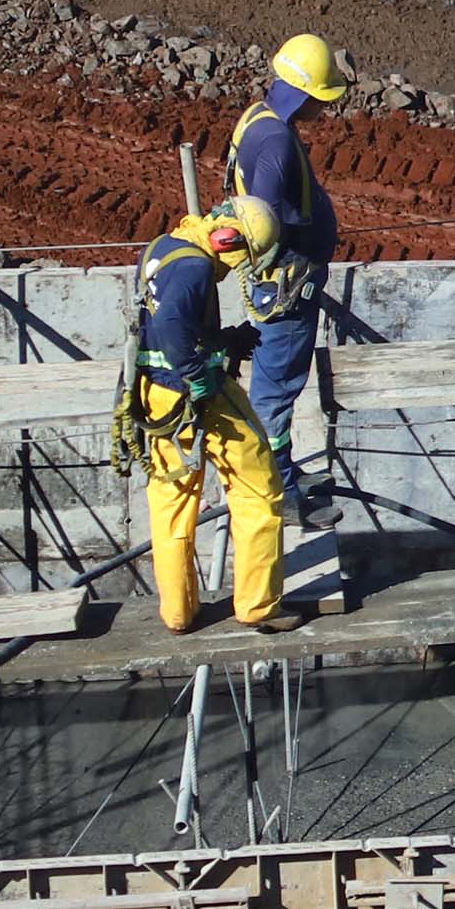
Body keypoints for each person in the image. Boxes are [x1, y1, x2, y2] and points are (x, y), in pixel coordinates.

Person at [127, 196, 302, 634]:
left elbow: (165, 321)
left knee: (172, 501)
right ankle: (259, 606)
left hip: (156, 394)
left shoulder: (162, 247)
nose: (235, 269)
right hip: (193, 393)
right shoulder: (196, 267)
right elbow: (171, 325)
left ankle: (178, 614)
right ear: (228, 240)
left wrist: (221, 340)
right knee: (258, 487)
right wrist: (194, 373)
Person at [224, 32, 347, 527]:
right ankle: (280, 492)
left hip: (286, 281)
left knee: (278, 389)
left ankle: (284, 472)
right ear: (307, 96)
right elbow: (265, 222)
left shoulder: (261, 118)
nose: (325, 110)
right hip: (287, 290)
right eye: (323, 99)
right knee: (275, 394)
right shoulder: (276, 144)